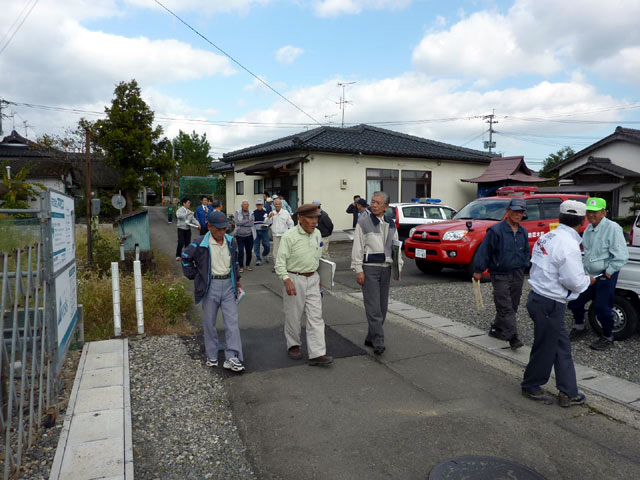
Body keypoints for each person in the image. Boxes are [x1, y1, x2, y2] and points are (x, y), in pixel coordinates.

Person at [521, 200, 593, 406]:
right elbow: (574, 281)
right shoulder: (569, 244)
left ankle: (568, 391)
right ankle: (531, 385)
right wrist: (589, 280)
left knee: (561, 346)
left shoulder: (548, 236)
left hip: (539, 297)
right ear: (582, 221)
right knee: (546, 348)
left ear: (560, 217)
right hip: (550, 302)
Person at [181, 210, 245, 372]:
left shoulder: (231, 242)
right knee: (209, 323)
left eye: (225, 228)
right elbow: (185, 257)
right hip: (210, 287)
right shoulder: (200, 243)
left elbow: (235, 263)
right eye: (219, 229)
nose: (222, 232)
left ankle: (232, 357)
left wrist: (237, 280)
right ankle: (212, 356)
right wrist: (196, 276)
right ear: (209, 227)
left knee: (232, 323)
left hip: (228, 285)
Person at [568, 197, 629, 350]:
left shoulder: (613, 228)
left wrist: (608, 273)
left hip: (604, 275)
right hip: (588, 275)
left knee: (602, 307)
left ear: (604, 212)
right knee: (575, 300)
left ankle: (608, 337)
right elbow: (585, 251)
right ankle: (580, 327)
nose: (590, 215)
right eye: (589, 211)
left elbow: (621, 255)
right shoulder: (588, 229)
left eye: (595, 212)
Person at [275, 204, 333, 366]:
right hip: (294, 278)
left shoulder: (318, 234)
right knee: (293, 314)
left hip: (313, 278)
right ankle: (293, 344)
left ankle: (317, 353)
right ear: (300, 219)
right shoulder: (289, 236)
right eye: (310, 218)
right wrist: (286, 280)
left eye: (316, 218)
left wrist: (321, 278)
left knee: (316, 316)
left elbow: (318, 258)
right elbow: (280, 262)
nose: (314, 221)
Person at [473, 198, 529, 349]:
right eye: (515, 211)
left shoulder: (523, 231)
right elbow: (485, 251)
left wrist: (526, 266)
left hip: (517, 273)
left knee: (513, 305)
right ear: (508, 211)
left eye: (521, 212)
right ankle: (513, 337)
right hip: (499, 273)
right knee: (505, 305)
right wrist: (478, 270)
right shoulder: (496, 230)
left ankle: (497, 328)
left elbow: (526, 253)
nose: (518, 214)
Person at [351, 191, 403, 355]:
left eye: (378, 203)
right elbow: (357, 247)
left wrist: (397, 267)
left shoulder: (391, 223)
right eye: (373, 202)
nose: (374, 205)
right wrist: (358, 269)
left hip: (386, 268)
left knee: (382, 307)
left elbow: (396, 247)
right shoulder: (363, 222)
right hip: (370, 268)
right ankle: (379, 342)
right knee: (373, 308)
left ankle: (370, 337)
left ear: (386, 207)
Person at [267, 198, 294, 268]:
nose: (278, 205)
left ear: (281, 205)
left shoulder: (285, 213)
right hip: (275, 235)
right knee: (275, 252)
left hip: (284, 235)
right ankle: (276, 266)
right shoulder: (271, 213)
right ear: (274, 205)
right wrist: (269, 217)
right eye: (276, 204)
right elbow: (267, 223)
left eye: (279, 204)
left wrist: (290, 233)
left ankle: (284, 266)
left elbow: (291, 224)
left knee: (284, 251)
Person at [234, 200, 255, 273]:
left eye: (247, 205)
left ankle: (248, 265)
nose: (246, 206)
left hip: (249, 235)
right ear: (241, 206)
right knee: (240, 251)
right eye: (244, 205)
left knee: (249, 251)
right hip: (239, 235)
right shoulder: (237, 212)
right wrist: (247, 221)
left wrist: (242, 223)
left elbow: (252, 223)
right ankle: (241, 266)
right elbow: (237, 222)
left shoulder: (251, 212)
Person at [253, 198, 270, 265]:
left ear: (262, 205)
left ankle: (264, 254)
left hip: (264, 231)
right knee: (256, 246)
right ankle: (258, 259)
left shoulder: (266, 213)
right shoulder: (253, 213)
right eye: (258, 205)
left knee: (267, 245)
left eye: (260, 204)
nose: (259, 206)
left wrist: (267, 224)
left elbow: (269, 222)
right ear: (256, 205)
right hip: (256, 231)